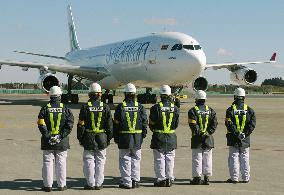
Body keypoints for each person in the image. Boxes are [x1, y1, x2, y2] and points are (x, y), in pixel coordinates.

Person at [37, 86, 74, 192]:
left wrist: (48, 136)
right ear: (60, 96)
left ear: (50, 96)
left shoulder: (45, 108)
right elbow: (69, 125)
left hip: (48, 141)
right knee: (61, 163)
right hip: (61, 141)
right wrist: (60, 136)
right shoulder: (66, 109)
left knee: (48, 162)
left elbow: (40, 123)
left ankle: (48, 186)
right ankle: (61, 185)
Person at [77, 83, 113, 190]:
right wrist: (108, 138)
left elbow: (81, 125)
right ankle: (98, 184)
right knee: (100, 161)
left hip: (88, 136)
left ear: (89, 95)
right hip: (102, 137)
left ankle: (90, 183)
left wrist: (80, 138)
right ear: (100, 94)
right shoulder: (105, 107)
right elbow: (110, 126)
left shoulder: (85, 107)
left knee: (88, 161)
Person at [113, 83, 148, 189]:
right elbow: (144, 122)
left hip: (124, 138)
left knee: (125, 160)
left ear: (125, 94)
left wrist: (116, 137)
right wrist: (143, 135)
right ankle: (135, 180)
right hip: (137, 138)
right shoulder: (140, 107)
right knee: (136, 159)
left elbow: (116, 124)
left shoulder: (120, 107)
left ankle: (127, 182)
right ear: (134, 94)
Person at [149, 85, 179, 187]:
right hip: (171, 135)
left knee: (159, 158)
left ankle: (161, 179)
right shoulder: (175, 108)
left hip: (158, 136)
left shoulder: (155, 107)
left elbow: (151, 123)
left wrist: (155, 130)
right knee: (170, 158)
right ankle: (169, 178)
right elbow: (176, 124)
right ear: (170, 95)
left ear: (160, 95)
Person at [225, 87, 256, 184]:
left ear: (235, 97)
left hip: (233, 137)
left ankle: (234, 178)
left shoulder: (230, 110)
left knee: (233, 157)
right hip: (245, 138)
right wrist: (244, 134)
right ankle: (246, 178)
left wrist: (237, 133)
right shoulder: (249, 110)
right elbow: (252, 124)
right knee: (245, 157)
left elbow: (228, 124)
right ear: (244, 97)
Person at [188, 90, 218, 185]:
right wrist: (208, 133)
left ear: (196, 99)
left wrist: (200, 133)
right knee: (207, 158)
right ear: (205, 99)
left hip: (197, 138)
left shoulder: (192, 111)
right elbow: (214, 124)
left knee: (197, 158)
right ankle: (206, 178)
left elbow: (193, 124)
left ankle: (197, 178)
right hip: (208, 138)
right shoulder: (211, 110)